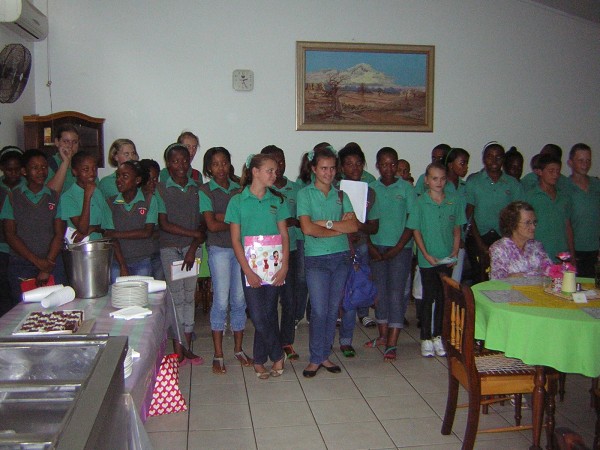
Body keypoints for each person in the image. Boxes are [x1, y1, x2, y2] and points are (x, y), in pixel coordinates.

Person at [225, 153, 290, 380]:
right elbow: (235, 240)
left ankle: (259, 360)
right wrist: (248, 271)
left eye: (275, 171)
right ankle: (278, 354)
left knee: (270, 313)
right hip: (250, 268)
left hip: (274, 267)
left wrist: (284, 266)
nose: (274, 174)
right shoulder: (237, 201)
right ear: (255, 172)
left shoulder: (277, 201)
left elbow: (284, 235)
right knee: (258, 315)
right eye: (269, 170)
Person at [297, 146, 358, 378]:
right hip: (316, 260)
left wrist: (327, 224)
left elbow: (353, 226)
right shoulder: (305, 194)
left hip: (341, 258)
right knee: (319, 310)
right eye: (323, 168)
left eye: (332, 168)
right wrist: (338, 228)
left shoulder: (342, 195)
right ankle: (315, 358)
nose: (328, 173)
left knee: (333, 311)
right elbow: (307, 228)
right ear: (313, 169)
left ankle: (324, 355)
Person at [199, 146, 251, 375]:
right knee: (220, 301)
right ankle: (218, 354)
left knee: (239, 300)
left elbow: (247, 219)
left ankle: (238, 350)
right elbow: (211, 225)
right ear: (209, 168)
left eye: (224, 163)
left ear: (230, 164)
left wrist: (223, 217)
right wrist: (233, 220)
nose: (221, 168)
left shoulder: (239, 189)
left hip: (241, 249)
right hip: (219, 249)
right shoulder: (205, 190)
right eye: (215, 164)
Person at [408, 162, 465, 357]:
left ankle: (438, 336)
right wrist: (425, 254)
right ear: (426, 180)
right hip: (428, 259)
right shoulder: (420, 202)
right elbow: (416, 231)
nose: (438, 182)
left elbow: (457, 229)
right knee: (428, 296)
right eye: (434, 178)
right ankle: (425, 337)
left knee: (443, 297)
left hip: (446, 258)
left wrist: (455, 253)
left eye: (442, 179)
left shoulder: (454, 201)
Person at [155, 143, 205, 366]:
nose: (181, 165)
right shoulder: (161, 188)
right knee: (176, 298)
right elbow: (164, 224)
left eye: (185, 160)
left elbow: (203, 223)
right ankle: (178, 348)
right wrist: (193, 234)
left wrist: (193, 247)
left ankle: (186, 347)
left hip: (192, 249)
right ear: (168, 164)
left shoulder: (198, 188)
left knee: (189, 296)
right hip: (170, 248)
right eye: (175, 161)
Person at [365, 147, 413, 362]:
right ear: (377, 166)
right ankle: (383, 337)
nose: (388, 168)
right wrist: (370, 246)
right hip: (376, 248)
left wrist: (398, 247)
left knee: (396, 294)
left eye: (393, 164)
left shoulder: (406, 188)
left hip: (400, 249)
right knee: (380, 293)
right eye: (384, 164)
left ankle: (392, 342)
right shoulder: (371, 189)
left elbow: (412, 220)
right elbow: (363, 221)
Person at [0, 149, 66, 304]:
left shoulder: (54, 197)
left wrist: (47, 265)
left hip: (52, 263)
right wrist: (37, 262)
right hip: (22, 264)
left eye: (44, 167)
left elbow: (59, 233)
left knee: (55, 308)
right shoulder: (13, 197)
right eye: (35, 168)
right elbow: (10, 235)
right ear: (24, 171)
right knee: (23, 309)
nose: (41, 171)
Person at [260, 145, 303, 360]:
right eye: (274, 162)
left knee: (289, 299)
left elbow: (303, 219)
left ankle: (286, 341)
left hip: (290, 250)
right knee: (267, 302)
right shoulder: (260, 190)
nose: (279, 166)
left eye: (282, 161)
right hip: (266, 254)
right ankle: (270, 341)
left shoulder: (296, 189)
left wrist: (293, 221)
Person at [337, 143, 380, 355]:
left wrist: (358, 226)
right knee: (337, 297)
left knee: (352, 295)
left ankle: (346, 340)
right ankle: (326, 340)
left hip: (360, 248)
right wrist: (345, 229)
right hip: (337, 247)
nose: (354, 168)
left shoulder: (369, 192)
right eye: (349, 164)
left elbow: (374, 226)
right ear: (341, 167)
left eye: (358, 163)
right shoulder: (334, 191)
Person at [465, 142, 524, 283]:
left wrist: (511, 240)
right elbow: (469, 213)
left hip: (504, 238)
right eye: (490, 156)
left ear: (503, 159)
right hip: (478, 237)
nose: (494, 160)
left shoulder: (512, 184)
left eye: (498, 157)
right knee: (479, 278)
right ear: (483, 159)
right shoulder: (474, 181)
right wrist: (480, 243)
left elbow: (518, 214)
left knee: (503, 278)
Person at [104, 160, 158, 282]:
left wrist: (116, 234)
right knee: (118, 294)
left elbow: (147, 232)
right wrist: (122, 265)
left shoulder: (149, 200)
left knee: (142, 293)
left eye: (125, 176)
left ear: (137, 180)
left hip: (142, 260)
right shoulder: (110, 203)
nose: (119, 180)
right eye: (118, 176)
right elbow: (110, 238)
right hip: (117, 261)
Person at [524, 154, 575, 263]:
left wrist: (572, 256)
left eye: (558, 171)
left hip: (561, 255)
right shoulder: (530, 197)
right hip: (538, 255)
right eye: (551, 171)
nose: (555, 175)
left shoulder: (564, 197)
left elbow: (568, 227)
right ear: (540, 172)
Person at [489, 201, 552, 279]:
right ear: (512, 224)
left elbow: (550, 271)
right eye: (528, 223)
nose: (533, 227)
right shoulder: (499, 248)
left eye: (534, 222)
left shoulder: (537, 246)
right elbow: (498, 280)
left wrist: (518, 276)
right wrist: (537, 273)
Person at [60, 150, 112, 242]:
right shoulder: (68, 197)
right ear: (75, 172)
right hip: (80, 247)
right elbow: (83, 229)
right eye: (85, 169)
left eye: (94, 169)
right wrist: (87, 196)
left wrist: (94, 228)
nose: (92, 173)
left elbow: (108, 225)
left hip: (100, 244)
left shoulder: (97, 192)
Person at [565, 143, 600, 277]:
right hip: (574, 249)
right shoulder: (564, 187)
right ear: (570, 163)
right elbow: (566, 222)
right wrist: (571, 254)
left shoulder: (597, 185)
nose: (585, 164)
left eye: (588, 160)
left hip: (595, 249)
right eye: (580, 160)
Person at [139, 159, 164, 280]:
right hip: (140, 254)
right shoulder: (135, 198)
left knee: (159, 286)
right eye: (148, 179)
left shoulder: (161, 195)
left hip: (158, 250)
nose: (152, 183)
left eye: (155, 179)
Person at [46, 124, 85, 193]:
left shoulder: (83, 164)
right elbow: (51, 193)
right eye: (66, 141)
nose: (70, 146)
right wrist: (65, 162)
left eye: (75, 142)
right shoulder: (49, 164)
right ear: (57, 142)